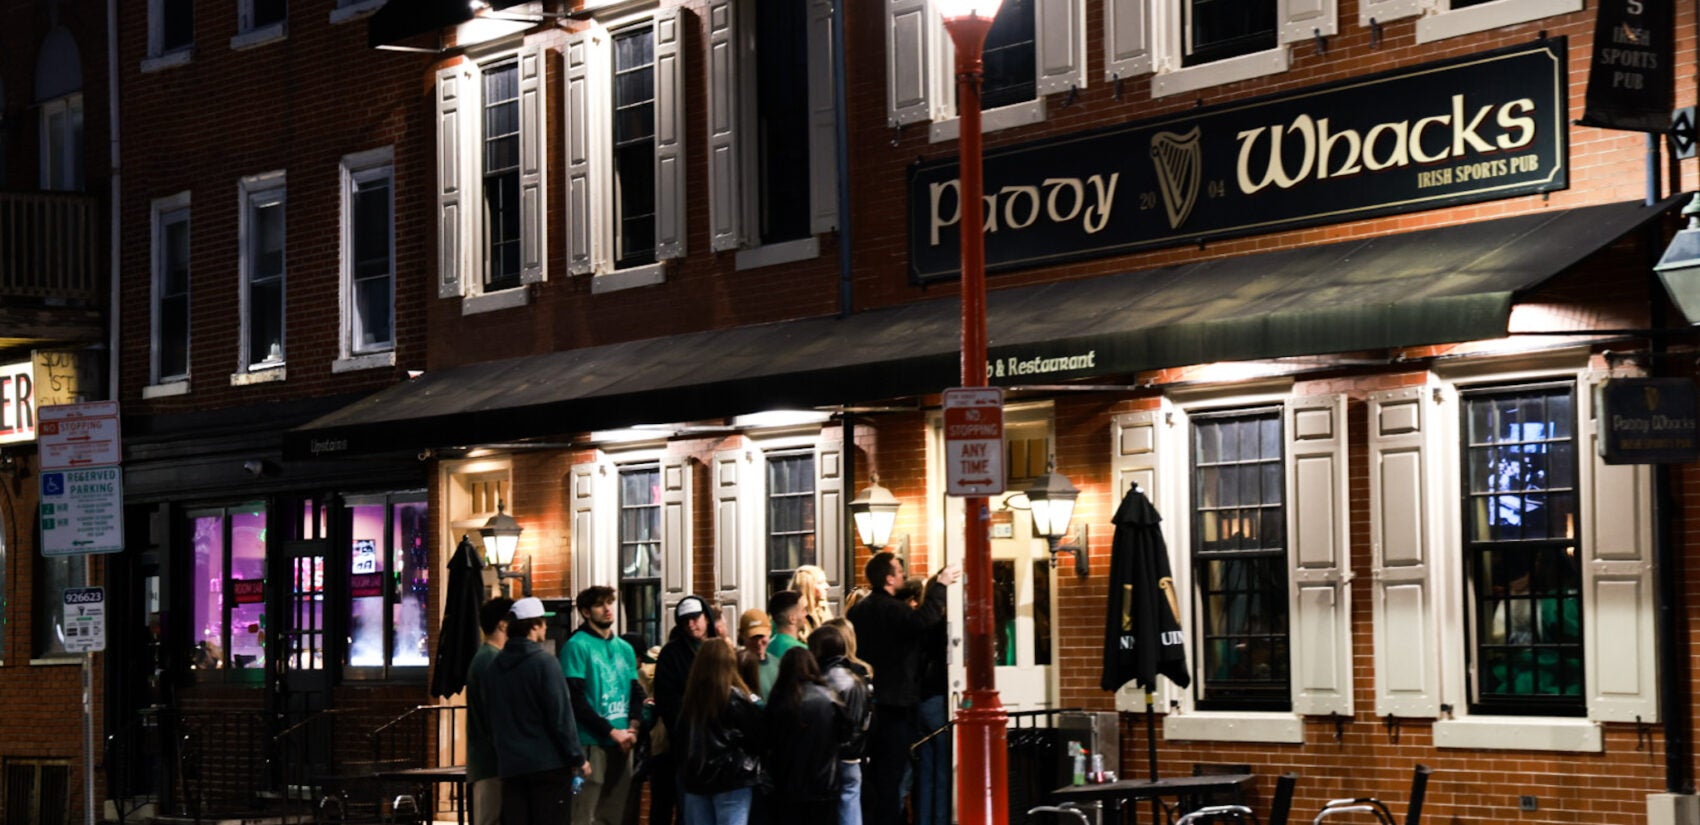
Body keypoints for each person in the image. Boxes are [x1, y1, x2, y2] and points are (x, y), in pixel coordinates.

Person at [845, 552, 960, 825]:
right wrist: (940, 586)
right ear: (888, 578)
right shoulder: (894, 610)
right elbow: (923, 621)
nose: (903, 576)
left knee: (875, 776)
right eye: (899, 571)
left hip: (870, 703)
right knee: (892, 774)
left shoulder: (860, 611)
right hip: (896, 704)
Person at [481, 597, 591, 825]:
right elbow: (561, 716)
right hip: (548, 766)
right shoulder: (545, 663)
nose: (546, 627)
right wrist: (577, 757)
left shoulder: (493, 668)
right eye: (542, 622)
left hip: (512, 767)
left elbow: (490, 718)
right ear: (534, 626)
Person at [562, 586, 642, 825]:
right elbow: (575, 699)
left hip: (623, 742)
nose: (607, 609)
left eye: (609, 602)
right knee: (584, 814)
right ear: (586, 612)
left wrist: (633, 729)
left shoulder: (625, 648)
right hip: (591, 742)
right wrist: (610, 731)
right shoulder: (576, 645)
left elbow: (637, 693)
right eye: (600, 604)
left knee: (614, 815)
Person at [678, 638, 767, 825]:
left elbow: (681, 738)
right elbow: (757, 737)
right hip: (732, 778)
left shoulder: (690, 701)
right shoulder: (736, 698)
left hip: (697, 778)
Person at [766, 648, 845, 825]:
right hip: (823, 784)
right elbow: (845, 733)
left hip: (786, 785)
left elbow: (767, 739)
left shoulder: (778, 699)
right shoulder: (829, 698)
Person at [654, 595, 714, 825]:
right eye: (685, 620)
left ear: (706, 618)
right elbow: (667, 700)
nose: (691, 624)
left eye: (695, 618)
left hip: (719, 743)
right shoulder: (671, 654)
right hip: (687, 745)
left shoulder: (718, 647)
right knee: (689, 811)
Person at [808, 623, 872, 825]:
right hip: (853, 757)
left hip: (829, 758)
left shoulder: (821, 683)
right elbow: (866, 720)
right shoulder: (858, 680)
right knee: (851, 807)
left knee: (825, 811)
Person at [465, 595, 512, 825]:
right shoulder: (489, 661)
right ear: (503, 624)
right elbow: (495, 715)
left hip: (491, 764)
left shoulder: (488, 658)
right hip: (490, 765)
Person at [912, 579, 951, 825]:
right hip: (938, 698)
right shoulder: (943, 626)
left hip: (921, 698)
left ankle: (924, 819)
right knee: (943, 770)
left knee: (926, 769)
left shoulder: (921, 622)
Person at [737, 609, 776, 698]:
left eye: (761, 636)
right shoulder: (736, 666)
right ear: (742, 635)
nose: (758, 642)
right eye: (753, 637)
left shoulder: (777, 665)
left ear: (769, 632)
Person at [787, 565, 833, 639]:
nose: (827, 587)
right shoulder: (792, 618)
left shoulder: (824, 612)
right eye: (820, 583)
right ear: (807, 587)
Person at [766, 591, 806, 671]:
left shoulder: (766, 648)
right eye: (803, 610)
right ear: (792, 619)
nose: (806, 613)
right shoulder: (802, 651)